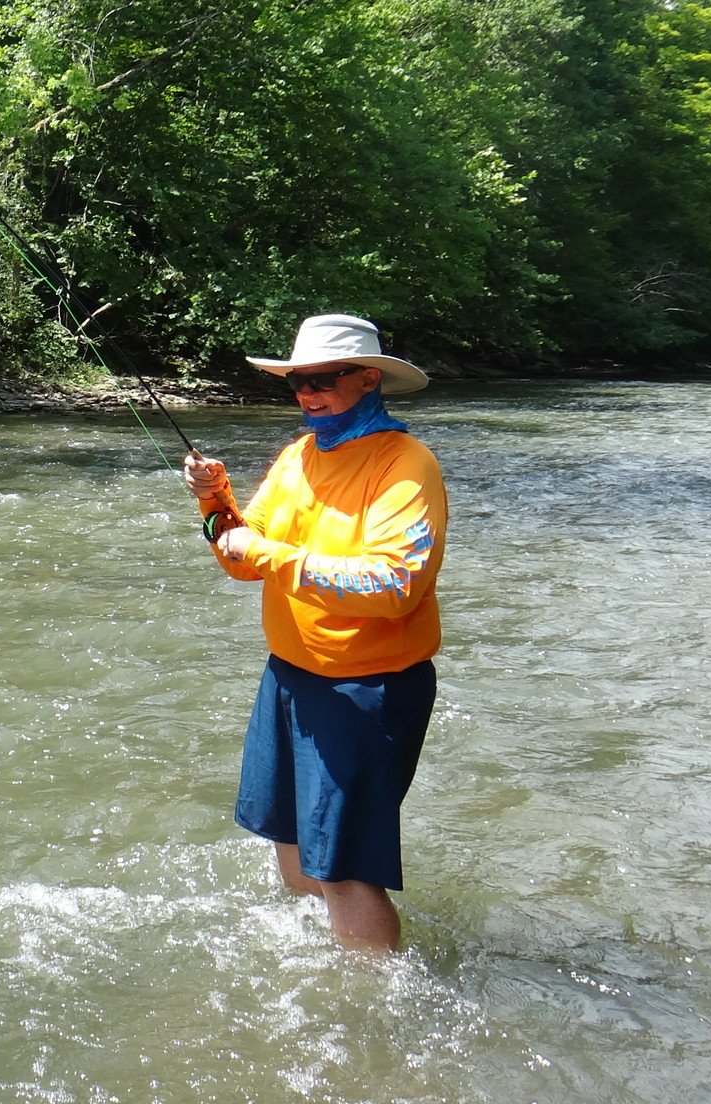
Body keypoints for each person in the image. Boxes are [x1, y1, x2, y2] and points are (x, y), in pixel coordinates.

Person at [182, 313, 447, 952]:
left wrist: (269, 553)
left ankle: (375, 1006)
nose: (308, 392)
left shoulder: (407, 466)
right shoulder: (298, 456)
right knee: (293, 842)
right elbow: (237, 558)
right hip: (290, 676)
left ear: (368, 379)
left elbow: (393, 587)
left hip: (367, 691)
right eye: (297, 381)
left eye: (324, 378)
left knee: (345, 869)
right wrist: (215, 502)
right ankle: (323, 960)